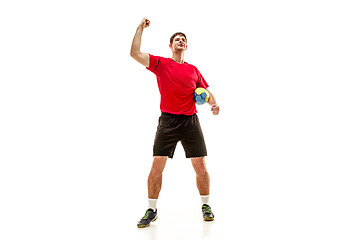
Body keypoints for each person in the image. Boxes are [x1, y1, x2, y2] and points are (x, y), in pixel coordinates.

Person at [130, 18, 220, 228]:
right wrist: (139, 28)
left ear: (186, 46)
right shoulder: (161, 64)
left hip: (190, 121)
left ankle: (206, 205)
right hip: (168, 121)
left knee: (201, 166)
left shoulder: (193, 70)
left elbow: (205, 92)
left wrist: (214, 105)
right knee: (157, 165)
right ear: (171, 45)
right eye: (177, 39)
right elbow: (134, 53)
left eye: (183, 39)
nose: (180, 41)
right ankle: (151, 209)